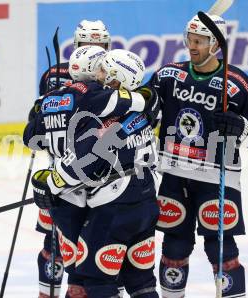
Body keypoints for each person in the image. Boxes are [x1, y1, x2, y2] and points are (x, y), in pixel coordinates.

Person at [28, 49, 160, 297]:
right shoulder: (142, 109)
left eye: (102, 71)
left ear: (115, 81)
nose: (96, 75)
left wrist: (50, 184)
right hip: (146, 200)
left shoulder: (105, 118)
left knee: (96, 280)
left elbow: (83, 163)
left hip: (114, 205)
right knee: (141, 281)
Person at [148, 13, 248, 297]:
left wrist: (241, 126)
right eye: (190, 40)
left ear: (216, 45)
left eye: (199, 41)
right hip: (174, 173)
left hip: (218, 175)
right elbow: (144, 111)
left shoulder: (238, 82)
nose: (192, 46)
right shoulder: (167, 75)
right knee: (174, 245)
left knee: (221, 247)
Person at [34, 20, 112, 298]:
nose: (95, 52)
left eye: (100, 46)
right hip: (61, 172)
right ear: (76, 46)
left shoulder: (114, 74)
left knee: (93, 246)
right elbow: (39, 124)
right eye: (87, 46)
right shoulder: (54, 76)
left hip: (98, 178)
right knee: (54, 241)